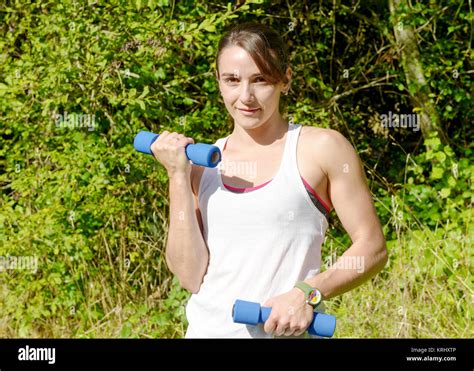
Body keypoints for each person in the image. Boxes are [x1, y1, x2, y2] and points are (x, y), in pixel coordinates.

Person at [151, 22, 388, 338]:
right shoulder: (200, 166)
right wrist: (176, 175)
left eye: (260, 80)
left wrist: (309, 292)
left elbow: (372, 249)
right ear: (218, 82)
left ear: (285, 80)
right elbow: (189, 276)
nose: (246, 96)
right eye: (232, 80)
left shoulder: (321, 149)